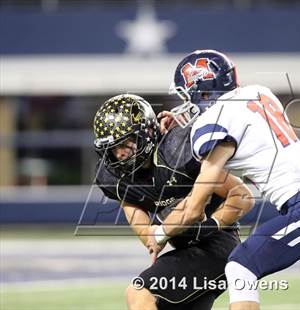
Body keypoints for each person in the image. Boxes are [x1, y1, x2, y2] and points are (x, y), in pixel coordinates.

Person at [147, 50, 300, 310]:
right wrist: (186, 129)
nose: (186, 105)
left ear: (203, 92)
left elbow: (194, 208)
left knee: (240, 267)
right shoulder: (259, 93)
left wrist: (159, 234)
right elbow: (241, 132)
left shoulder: (216, 121)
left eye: (187, 96)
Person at [93, 93, 254, 310]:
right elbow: (146, 232)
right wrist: (158, 232)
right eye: (113, 149)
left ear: (146, 133)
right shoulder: (114, 178)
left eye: (126, 143)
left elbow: (242, 196)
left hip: (218, 245)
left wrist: (210, 224)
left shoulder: (177, 152)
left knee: (139, 292)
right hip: (187, 250)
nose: (120, 154)